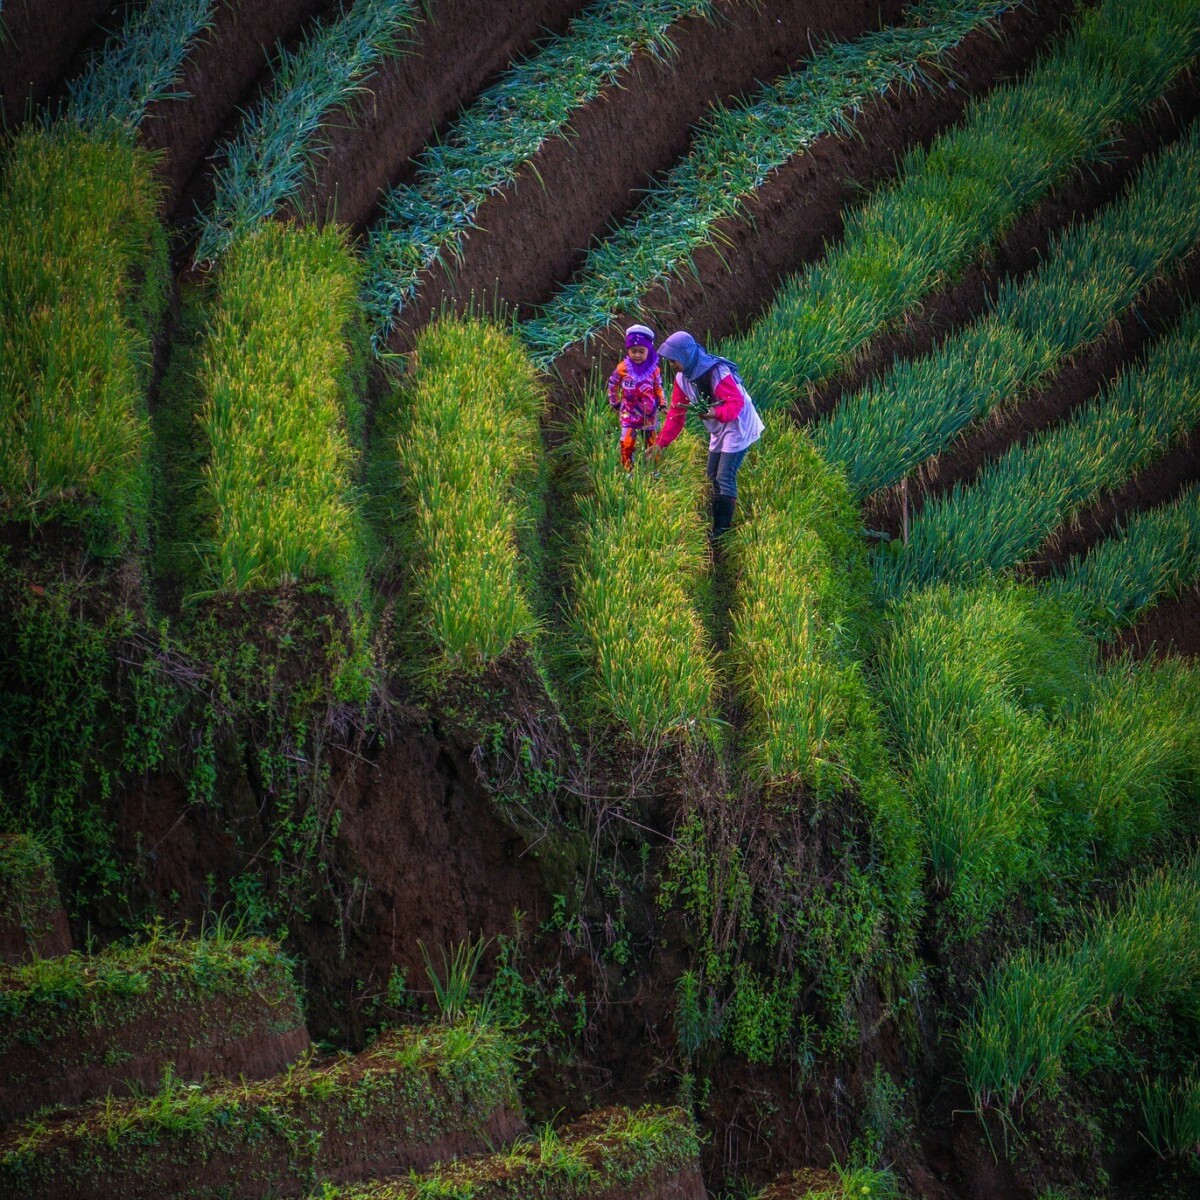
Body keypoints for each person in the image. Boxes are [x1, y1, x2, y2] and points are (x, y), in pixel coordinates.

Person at [655, 330, 764, 538]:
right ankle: (716, 517)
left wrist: (714, 412)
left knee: (724, 475)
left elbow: (736, 404)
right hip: (719, 425)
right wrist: (660, 443)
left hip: (737, 423)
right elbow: (676, 414)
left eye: (673, 361)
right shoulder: (682, 378)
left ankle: (721, 531)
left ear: (685, 356)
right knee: (711, 474)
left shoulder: (716, 372)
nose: (671, 366)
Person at [607, 324, 665, 470]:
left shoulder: (654, 370)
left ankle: (653, 469)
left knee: (652, 443)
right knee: (626, 442)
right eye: (633, 351)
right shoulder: (622, 368)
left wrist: (662, 404)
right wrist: (614, 402)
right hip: (629, 412)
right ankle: (628, 470)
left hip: (648, 414)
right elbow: (612, 384)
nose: (637, 355)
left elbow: (658, 387)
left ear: (649, 350)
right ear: (628, 350)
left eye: (641, 351)